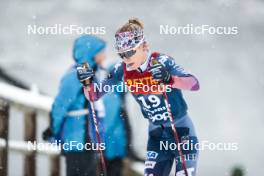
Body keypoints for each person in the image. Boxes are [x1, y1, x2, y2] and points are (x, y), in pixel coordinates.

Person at [77, 18, 200, 176]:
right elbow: (94, 95)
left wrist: (170, 79)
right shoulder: (120, 70)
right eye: (121, 54)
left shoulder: (161, 62)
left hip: (182, 132)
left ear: (143, 46)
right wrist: (87, 83)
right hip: (157, 136)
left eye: (129, 52)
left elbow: (194, 84)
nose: (125, 58)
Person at [42, 35, 106, 176]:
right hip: (77, 140)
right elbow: (60, 105)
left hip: (88, 141)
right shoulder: (75, 76)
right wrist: (53, 129)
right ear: (91, 53)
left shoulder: (90, 74)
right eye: (101, 52)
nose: (104, 56)